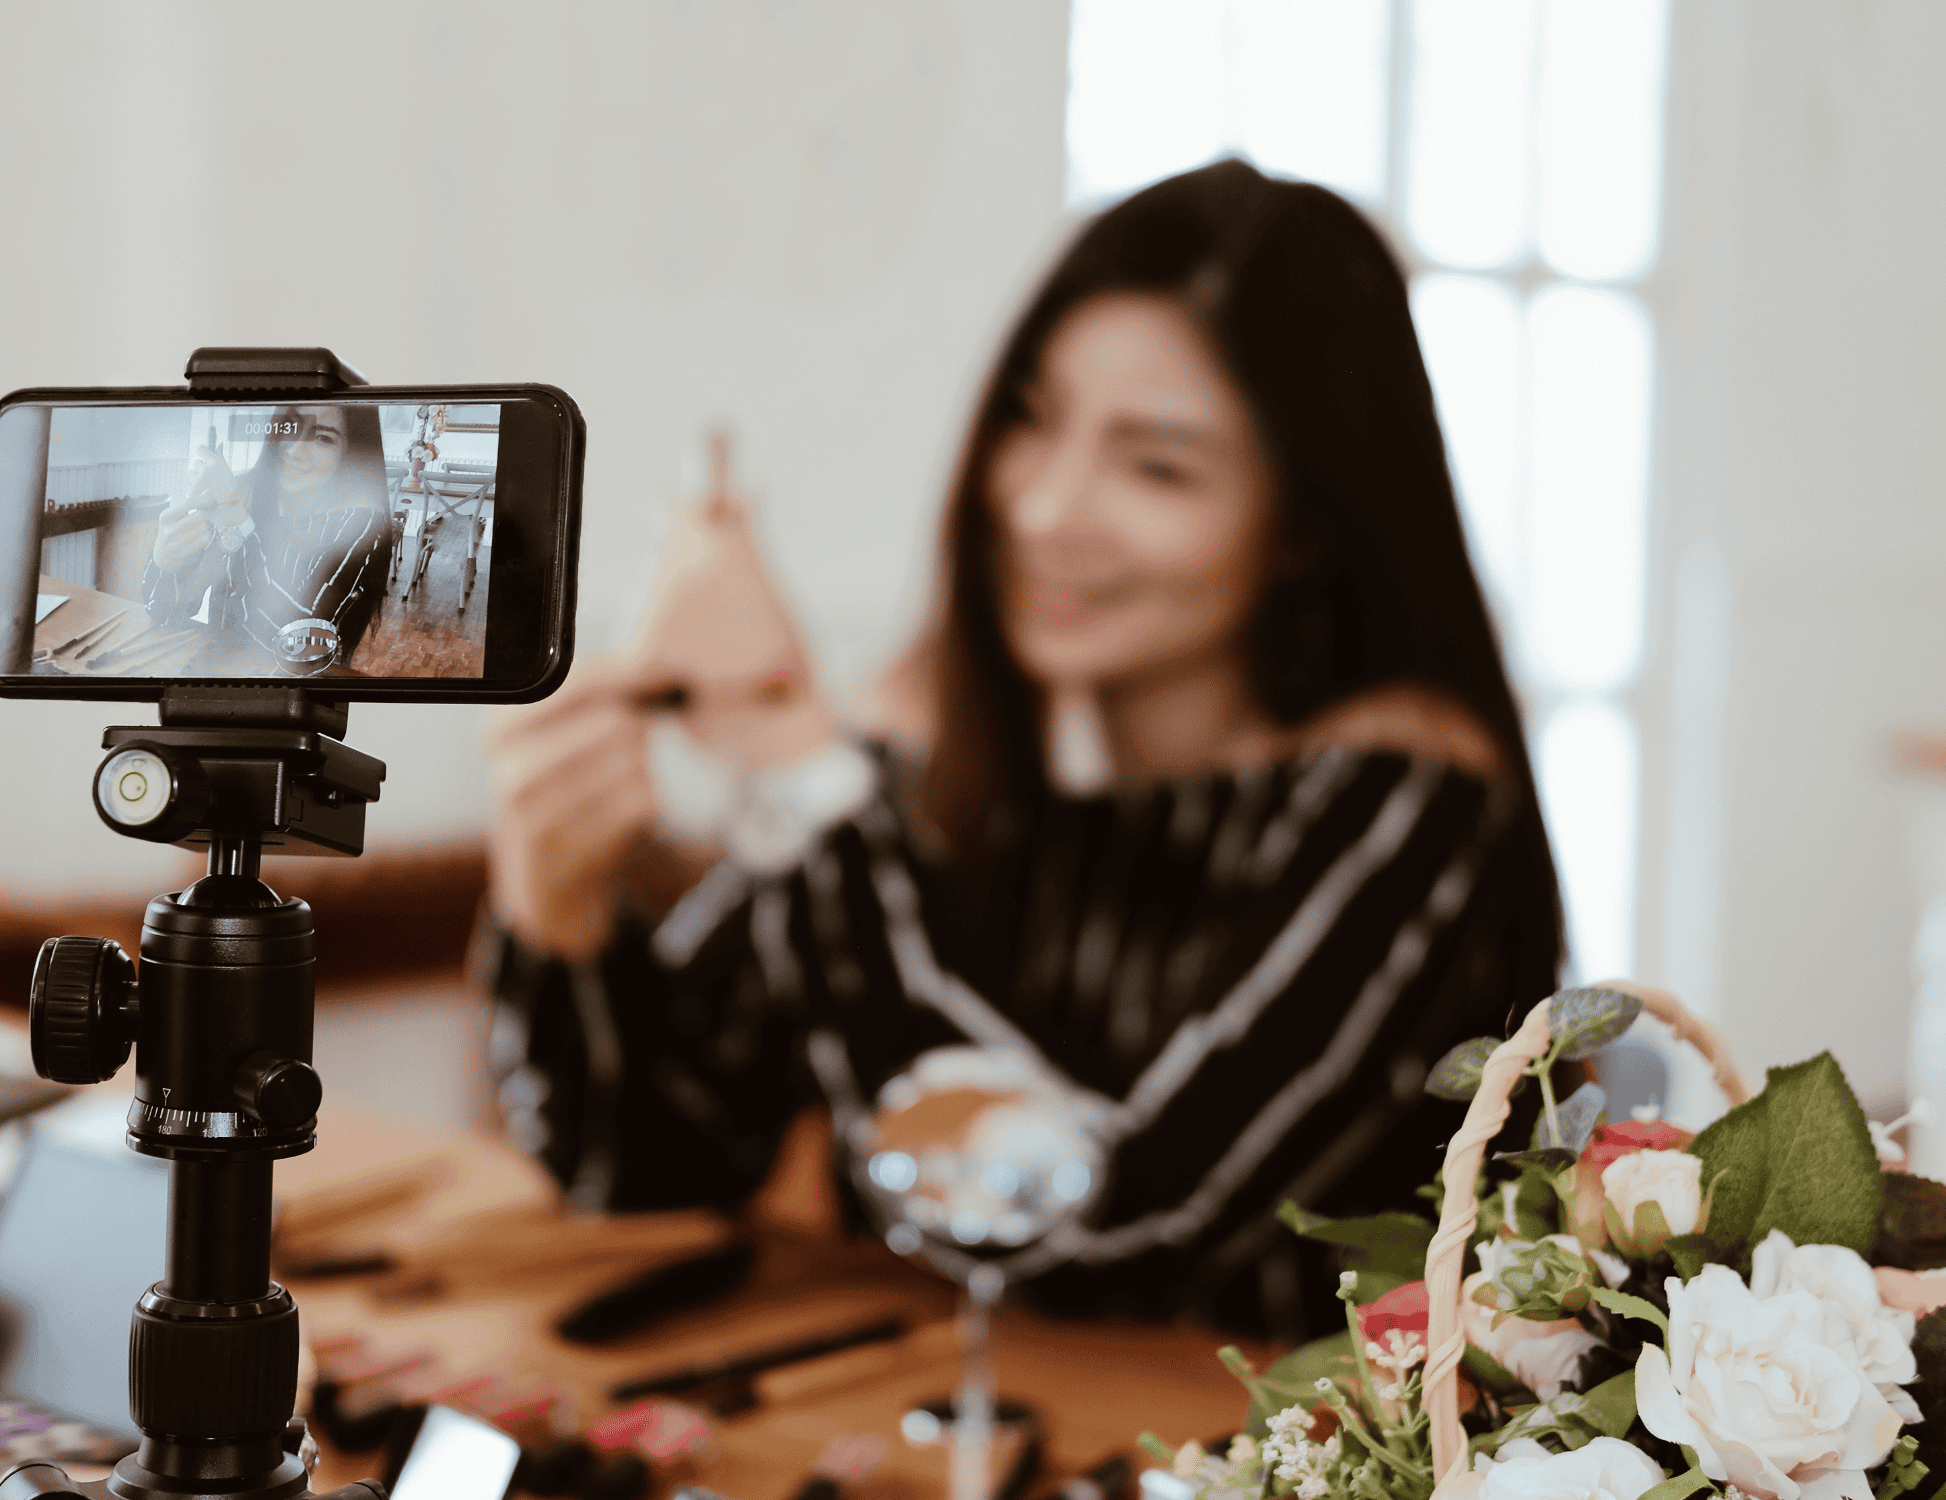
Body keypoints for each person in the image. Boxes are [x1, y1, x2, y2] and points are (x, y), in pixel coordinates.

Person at [484, 160, 1564, 1338]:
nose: (1046, 508)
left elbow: (1106, 1238)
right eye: (1031, 421)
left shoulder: (1410, 812)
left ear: (1304, 521)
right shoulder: (943, 750)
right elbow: (646, 1168)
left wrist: (803, 776)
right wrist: (559, 904)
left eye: (1156, 466)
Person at [145, 403, 394, 675]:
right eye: (291, 427)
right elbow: (166, 613)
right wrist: (165, 561)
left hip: (301, 698)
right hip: (220, 677)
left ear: (352, 451)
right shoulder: (244, 493)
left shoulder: (361, 522)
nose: (295, 449)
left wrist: (235, 516)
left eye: (323, 438)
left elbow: (294, 647)